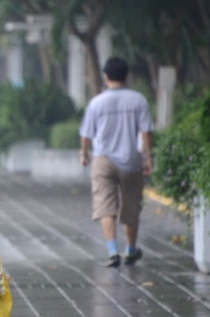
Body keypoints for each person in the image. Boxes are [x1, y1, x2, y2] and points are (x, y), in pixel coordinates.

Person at [80, 56, 154, 268]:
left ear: (106, 76)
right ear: (126, 76)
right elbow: (147, 132)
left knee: (105, 206)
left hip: (103, 160)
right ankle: (130, 250)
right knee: (132, 205)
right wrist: (149, 157)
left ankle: (113, 251)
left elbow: (86, 134)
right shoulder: (138, 100)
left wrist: (84, 154)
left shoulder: (97, 102)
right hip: (131, 159)